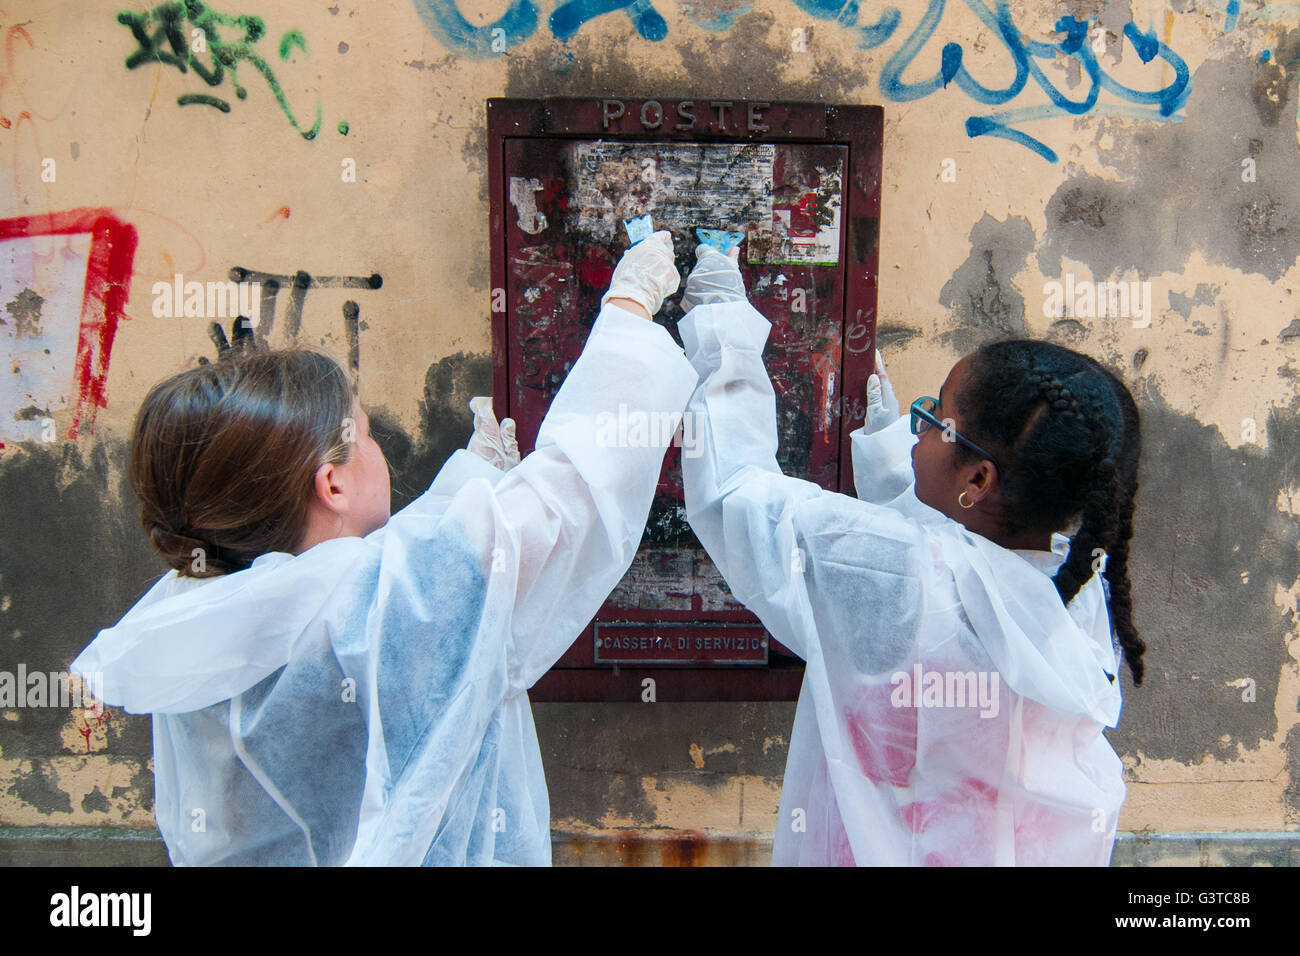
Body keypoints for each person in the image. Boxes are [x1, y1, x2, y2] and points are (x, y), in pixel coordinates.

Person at [71, 233, 694, 866]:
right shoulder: (387, 605)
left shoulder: (197, 602)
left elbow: (358, 577)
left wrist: (473, 475)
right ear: (332, 483)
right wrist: (630, 310)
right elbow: (567, 501)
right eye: (362, 434)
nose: (377, 450)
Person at [678, 244, 1143, 866]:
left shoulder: (896, 574)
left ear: (977, 481)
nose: (918, 428)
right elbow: (956, 561)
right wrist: (896, 468)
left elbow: (736, 495)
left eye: (935, 420)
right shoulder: (1076, 585)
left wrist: (721, 325)